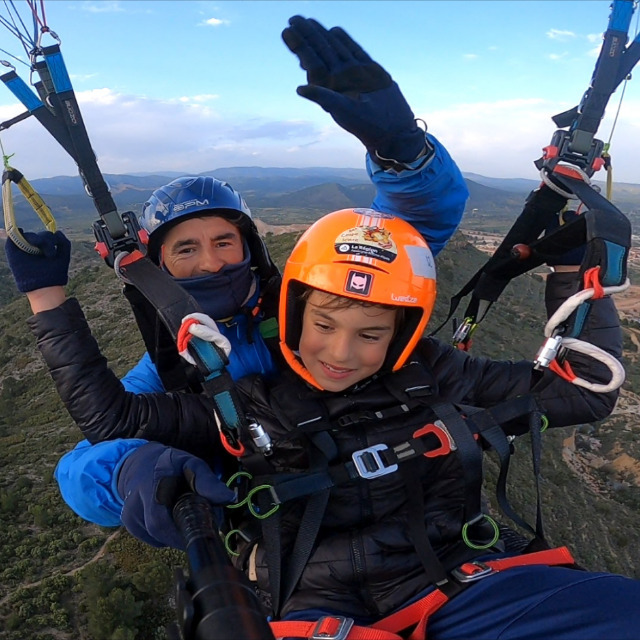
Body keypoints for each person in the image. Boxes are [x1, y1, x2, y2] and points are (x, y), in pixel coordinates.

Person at [3, 16, 468, 525]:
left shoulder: (312, 300)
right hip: (287, 527)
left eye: (224, 242)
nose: (211, 261)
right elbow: (87, 458)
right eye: (186, 249)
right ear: (162, 267)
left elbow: (403, 235)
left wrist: (402, 153)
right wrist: (135, 473)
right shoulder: (173, 363)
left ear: (250, 248)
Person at [113, 205, 639, 639]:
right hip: (311, 601)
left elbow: (582, 392)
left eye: (370, 334)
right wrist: (133, 469)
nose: (341, 352)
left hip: (452, 579)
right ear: (295, 315)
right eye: (324, 326)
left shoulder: (436, 372)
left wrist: (572, 273)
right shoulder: (241, 395)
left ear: (401, 334)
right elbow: (115, 422)